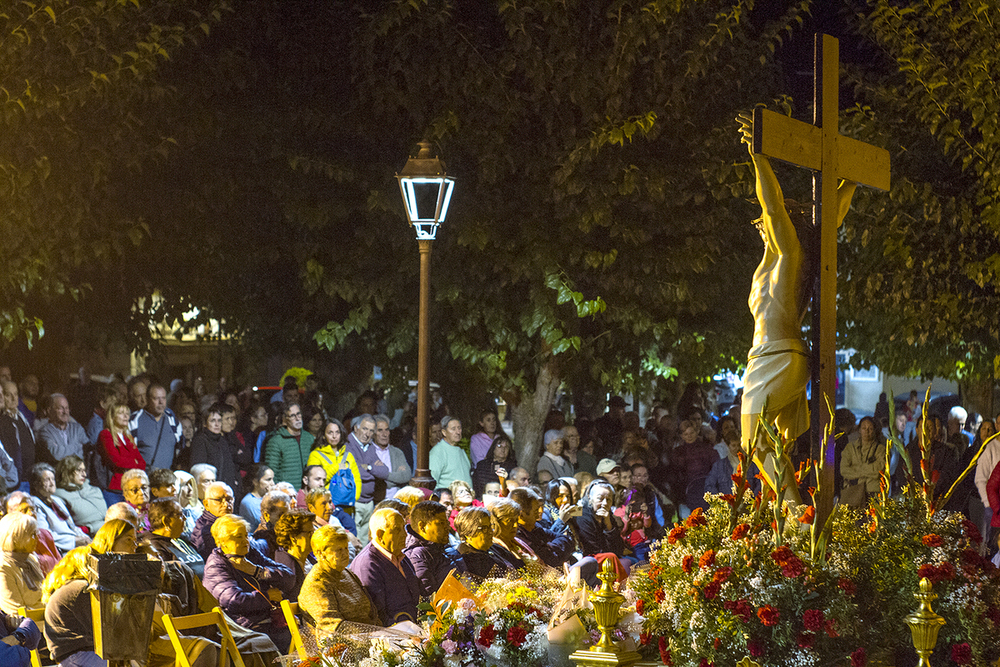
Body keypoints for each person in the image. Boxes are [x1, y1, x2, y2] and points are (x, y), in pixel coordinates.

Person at [737, 112, 856, 502]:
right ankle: (787, 513)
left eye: (765, 221)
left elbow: (772, 208)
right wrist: (849, 181)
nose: (760, 225)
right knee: (771, 446)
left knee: (752, 437)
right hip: (762, 357)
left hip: (781, 354)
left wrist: (759, 157)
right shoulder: (769, 262)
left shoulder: (790, 255)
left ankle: (791, 509)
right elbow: (830, 219)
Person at [42, 519, 138, 667]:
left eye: (135, 541)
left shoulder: (84, 587)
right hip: (78, 654)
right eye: (128, 540)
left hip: (89, 651)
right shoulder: (82, 589)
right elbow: (108, 629)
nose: (135, 546)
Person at [202, 514, 295, 653]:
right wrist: (267, 596)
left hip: (270, 621)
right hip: (245, 627)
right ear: (223, 541)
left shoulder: (250, 553)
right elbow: (234, 600)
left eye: (246, 535)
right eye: (238, 537)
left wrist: (259, 571)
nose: (245, 540)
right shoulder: (216, 565)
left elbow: (289, 577)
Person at [298, 524, 381, 634]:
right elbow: (334, 626)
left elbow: (372, 613)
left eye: (346, 548)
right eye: (338, 550)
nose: (345, 553)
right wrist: (374, 636)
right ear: (320, 553)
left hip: (370, 637)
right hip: (342, 646)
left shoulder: (347, 573)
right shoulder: (316, 584)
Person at [349, 507, 421, 626]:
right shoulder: (367, 564)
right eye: (397, 530)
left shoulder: (400, 556)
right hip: (395, 635)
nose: (405, 534)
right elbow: (377, 615)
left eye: (404, 528)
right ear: (380, 534)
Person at [403, 500, 465, 598]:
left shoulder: (447, 548)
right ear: (422, 527)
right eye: (441, 523)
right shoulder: (418, 555)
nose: (447, 528)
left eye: (446, 523)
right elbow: (429, 597)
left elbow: (467, 582)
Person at [307, 418, 361, 519]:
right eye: (330, 432)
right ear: (323, 435)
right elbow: (314, 481)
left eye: (337, 432)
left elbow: (356, 480)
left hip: (347, 508)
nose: (334, 436)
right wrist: (338, 467)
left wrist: (351, 498)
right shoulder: (315, 455)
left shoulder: (348, 456)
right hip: (325, 507)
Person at [96, 398, 147, 504]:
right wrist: (134, 463)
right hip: (114, 489)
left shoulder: (128, 437)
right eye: (121, 413)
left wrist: (131, 464)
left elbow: (142, 463)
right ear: (112, 417)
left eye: (127, 413)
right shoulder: (106, 434)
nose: (126, 416)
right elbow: (116, 460)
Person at [511, 486, 576, 569]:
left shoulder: (536, 527)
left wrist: (550, 547)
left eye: (541, 507)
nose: (540, 512)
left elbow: (566, 539)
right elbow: (550, 558)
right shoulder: (518, 536)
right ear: (522, 514)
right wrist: (551, 548)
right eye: (535, 511)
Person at [29, 463, 90, 552]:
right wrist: (74, 541)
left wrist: (85, 538)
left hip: (75, 543)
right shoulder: (34, 504)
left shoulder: (56, 500)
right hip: (62, 549)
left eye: (53, 479)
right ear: (36, 485)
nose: (52, 483)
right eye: (47, 480)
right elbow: (44, 536)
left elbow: (72, 526)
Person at [140, 497, 205, 579]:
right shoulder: (155, 547)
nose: (185, 518)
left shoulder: (182, 540)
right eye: (180, 515)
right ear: (166, 521)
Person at [128, 382, 182, 471]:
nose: (161, 402)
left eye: (163, 398)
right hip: (143, 479)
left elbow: (179, 447)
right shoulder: (134, 421)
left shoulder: (173, 421)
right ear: (148, 399)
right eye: (156, 398)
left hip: (168, 479)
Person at [190, 403, 240, 497]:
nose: (217, 424)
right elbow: (199, 469)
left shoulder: (222, 441)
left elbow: (229, 467)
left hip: (224, 492)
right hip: (209, 493)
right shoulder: (200, 440)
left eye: (219, 421)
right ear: (205, 423)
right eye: (213, 421)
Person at [0, 512, 44, 614]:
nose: (37, 539)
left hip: (46, 617)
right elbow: (15, 611)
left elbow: (45, 596)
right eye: (33, 535)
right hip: (29, 625)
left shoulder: (31, 559)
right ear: (16, 538)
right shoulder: (3, 567)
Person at [4, 492, 59, 574]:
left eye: (32, 509)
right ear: (10, 515)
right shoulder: (8, 544)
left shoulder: (45, 534)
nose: (31, 514)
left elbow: (62, 565)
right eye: (24, 510)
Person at [264, 399, 314, 487]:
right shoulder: (276, 441)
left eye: (298, 414)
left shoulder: (309, 438)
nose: (297, 418)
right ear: (285, 419)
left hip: (307, 491)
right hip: (287, 492)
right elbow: (272, 471)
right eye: (292, 416)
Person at [447, 506, 507, 578]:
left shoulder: (495, 548)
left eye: (490, 526)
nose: (491, 532)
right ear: (468, 533)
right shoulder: (465, 561)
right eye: (484, 528)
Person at [52, 455, 107, 534]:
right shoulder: (59, 495)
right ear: (68, 472)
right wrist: (88, 529)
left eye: (84, 470)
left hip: (108, 530)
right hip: (87, 537)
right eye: (79, 470)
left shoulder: (94, 490)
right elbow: (66, 527)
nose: (84, 474)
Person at [840, 416, 883, 508]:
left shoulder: (880, 449)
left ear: (875, 430)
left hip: (873, 493)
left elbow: (879, 470)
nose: (867, 431)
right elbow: (844, 470)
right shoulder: (850, 448)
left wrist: (855, 469)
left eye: (870, 428)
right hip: (853, 492)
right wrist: (869, 470)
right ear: (859, 430)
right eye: (864, 428)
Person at [273, 509, 316, 601]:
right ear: (293, 537)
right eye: (310, 533)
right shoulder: (285, 566)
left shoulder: (311, 561)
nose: (314, 537)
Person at [37, 393, 89, 465]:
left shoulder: (77, 428)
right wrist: (78, 446)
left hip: (78, 473)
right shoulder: (44, 432)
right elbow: (57, 455)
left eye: (67, 408)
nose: (65, 412)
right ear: (49, 411)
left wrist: (63, 449)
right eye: (60, 408)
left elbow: (87, 449)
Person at [0, 380, 35, 480]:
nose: (13, 398)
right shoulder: (3, 420)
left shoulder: (20, 415)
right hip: (14, 474)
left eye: (15, 394)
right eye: (8, 395)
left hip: (28, 471)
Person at [372, 414, 412, 498]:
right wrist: (396, 477)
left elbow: (406, 476)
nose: (384, 434)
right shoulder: (368, 451)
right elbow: (372, 482)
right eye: (380, 430)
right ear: (373, 433)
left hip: (396, 500)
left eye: (387, 430)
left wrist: (384, 475)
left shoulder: (397, 452)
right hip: (375, 500)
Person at [192, 481, 235, 558]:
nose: (226, 504)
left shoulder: (230, 522)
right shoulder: (204, 532)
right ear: (206, 504)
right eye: (219, 500)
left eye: (229, 500)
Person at [429, 416, 473, 491]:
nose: (458, 432)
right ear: (444, 432)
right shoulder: (437, 452)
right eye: (453, 429)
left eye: (459, 428)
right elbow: (432, 482)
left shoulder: (460, 450)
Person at [471, 434, 518, 498]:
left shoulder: (513, 467)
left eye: (506, 447)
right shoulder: (482, 465)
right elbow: (476, 485)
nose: (503, 449)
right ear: (493, 448)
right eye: (499, 446)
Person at [251, 490, 292, 558]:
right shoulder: (261, 541)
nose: (288, 519)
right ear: (266, 516)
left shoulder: (289, 535)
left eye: (289, 515)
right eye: (281, 515)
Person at [239, 464, 275, 531]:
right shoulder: (248, 502)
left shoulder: (267, 497)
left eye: (273, 479)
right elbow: (267, 522)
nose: (272, 483)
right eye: (268, 480)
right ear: (255, 482)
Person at [174, 469, 201, 535]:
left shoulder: (195, 510)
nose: (190, 489)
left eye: (191, 484)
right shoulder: (170, 511)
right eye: (185, 485)